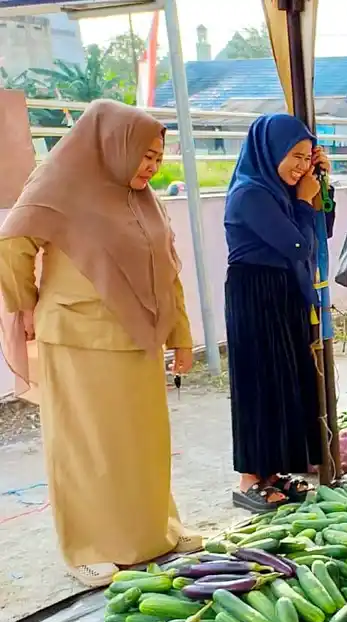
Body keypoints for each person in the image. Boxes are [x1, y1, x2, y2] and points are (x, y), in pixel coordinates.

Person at [0, 100, 200, 586]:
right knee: (88, 448)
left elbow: (165, 268)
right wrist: (25, 303)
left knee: (141, 446)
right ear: (114, 145)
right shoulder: (59, 183)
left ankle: (153, 533)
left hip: (138, 339)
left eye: (158, 156)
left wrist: (181, 337)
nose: (152, 166)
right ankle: (88, 548)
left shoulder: (140, 197)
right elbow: (12, 243)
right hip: (79, 339)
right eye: (145, 156)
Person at [224, 114, 334, 511]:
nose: (302, 166)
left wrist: (322, 183)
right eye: (295, 156)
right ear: (269, 151)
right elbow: (299, 246)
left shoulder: (283, 192)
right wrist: (304, 199)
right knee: (259, 384)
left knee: (284, 381)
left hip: (284, 294)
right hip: (255, 293)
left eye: (308, 158)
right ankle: (250, 477)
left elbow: (324, 228)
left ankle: (273, 473)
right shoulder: (250, 194)